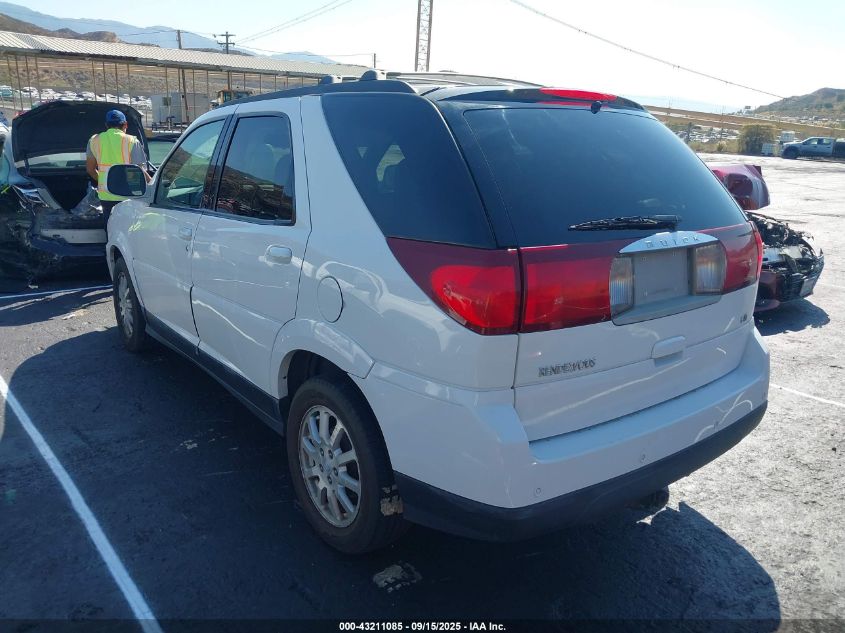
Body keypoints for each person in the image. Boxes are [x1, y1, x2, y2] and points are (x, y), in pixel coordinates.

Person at [86, 109, 150, 226]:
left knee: (111, 230)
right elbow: (139, 171)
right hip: (128, 195)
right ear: (125, 124)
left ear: (106, 125)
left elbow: (90, 169)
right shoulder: (132, 141)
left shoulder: (94, 140)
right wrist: (153, 184)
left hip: (106, 196)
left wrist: (105, 182)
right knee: (128, 231)